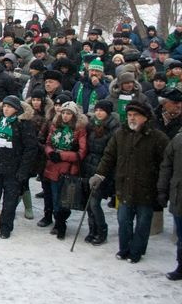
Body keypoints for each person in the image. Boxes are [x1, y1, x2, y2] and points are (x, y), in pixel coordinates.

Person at [90, 100, 169, 263]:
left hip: (146, 188)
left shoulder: (157, 137)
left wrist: (162, 188)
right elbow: (109, 156)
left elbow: (165, 164)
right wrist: (99, 175)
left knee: (142, 223)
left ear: (145, 118)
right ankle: (124, 248)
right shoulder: (121, 133)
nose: (132, 119)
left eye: (136, 115)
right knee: (123, 220)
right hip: (124, 185)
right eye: (130, 115)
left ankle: (136, 251)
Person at [0, 96, 37, 239]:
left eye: (9, 107)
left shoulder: (23, 124)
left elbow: (30, 149)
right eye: (4, 106)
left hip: (13, 169)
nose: (6, 109)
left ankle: (5, 227)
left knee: (9, 202)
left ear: (16, 109)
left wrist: (23, 170)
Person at [43, 101, 88, 239]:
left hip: (68, 169)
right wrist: (50, 152)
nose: (65, 116)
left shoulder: (79, 130)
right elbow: (48, 143)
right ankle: (57, 221)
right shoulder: (55, 126)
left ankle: (61, 222)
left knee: (65, 199)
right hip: (53, 166)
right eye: (63, 113)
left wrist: (62, 155)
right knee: (55, 196)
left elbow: (81, 152)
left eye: (68, 113)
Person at [80, 100, 119, 245]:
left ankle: (102, 230)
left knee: (95, 202)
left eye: (102, 110)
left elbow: (111, 153)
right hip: (88, 166)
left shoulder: (113, 128)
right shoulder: (91, 126)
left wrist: (103, 171)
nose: (98, 113)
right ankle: (92, 229)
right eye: (97, 110)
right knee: (88, 203)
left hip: (102, 169)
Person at [158, 129, 182, 279]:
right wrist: (162, 190)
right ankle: (181, 266)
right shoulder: (178, 140)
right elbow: (166, 166)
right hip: (179, 195)